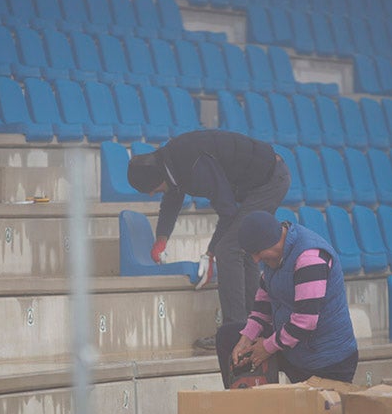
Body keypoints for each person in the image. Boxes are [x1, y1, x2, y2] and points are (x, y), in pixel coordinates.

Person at [126, 130, 291, 349]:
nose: (150, 194)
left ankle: (236, 333)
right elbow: (172, 198)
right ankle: (256, 327)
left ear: (156, 179)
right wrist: (161, 239)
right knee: (244, 249)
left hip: (268, 182)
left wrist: (210, 253)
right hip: (262, 179)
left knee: (228, 249)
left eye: (151, 190)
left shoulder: (194, 165)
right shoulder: (170, 162)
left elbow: (228, 211)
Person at [215, 210, 358, 387]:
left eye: (258, 252)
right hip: (295, 349)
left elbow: (305, 322)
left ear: (273, 241)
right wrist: (245, 339)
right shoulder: (275, 256)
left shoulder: (310, 258)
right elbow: (263, 305)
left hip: (326, 360)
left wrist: (266, 347)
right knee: (228, 336)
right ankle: (245, 407)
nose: (256, 259)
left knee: (312, 413)